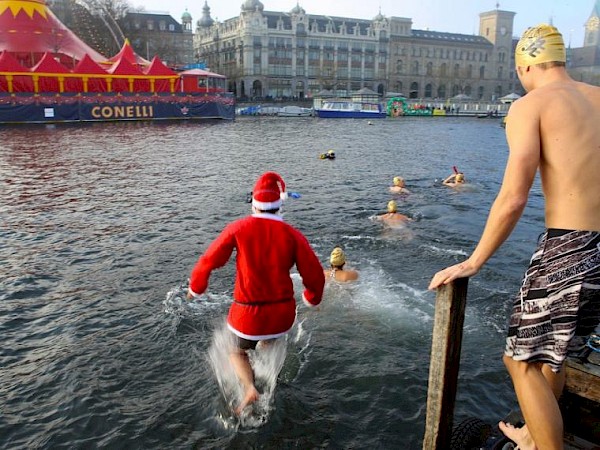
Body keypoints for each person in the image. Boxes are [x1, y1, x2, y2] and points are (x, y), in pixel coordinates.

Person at [429, 24, 600, 450]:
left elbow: (512, 197)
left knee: (519, 359)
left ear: (525, 64)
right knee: (554, 351)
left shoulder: (530, 105)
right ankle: (534, 433)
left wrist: (474, 261)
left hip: (570, 247)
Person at [187, 171, 325, 414]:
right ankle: (266, 362)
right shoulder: (293, 235)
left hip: (248, 316)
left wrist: (196, 288)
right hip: (281, 315)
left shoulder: (238, 228)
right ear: (278, 205)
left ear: (255, 204)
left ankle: (250, 387)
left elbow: (209, 260)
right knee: (269, 339)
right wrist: (312, 297)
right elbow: (314, 273)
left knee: (236, 351)